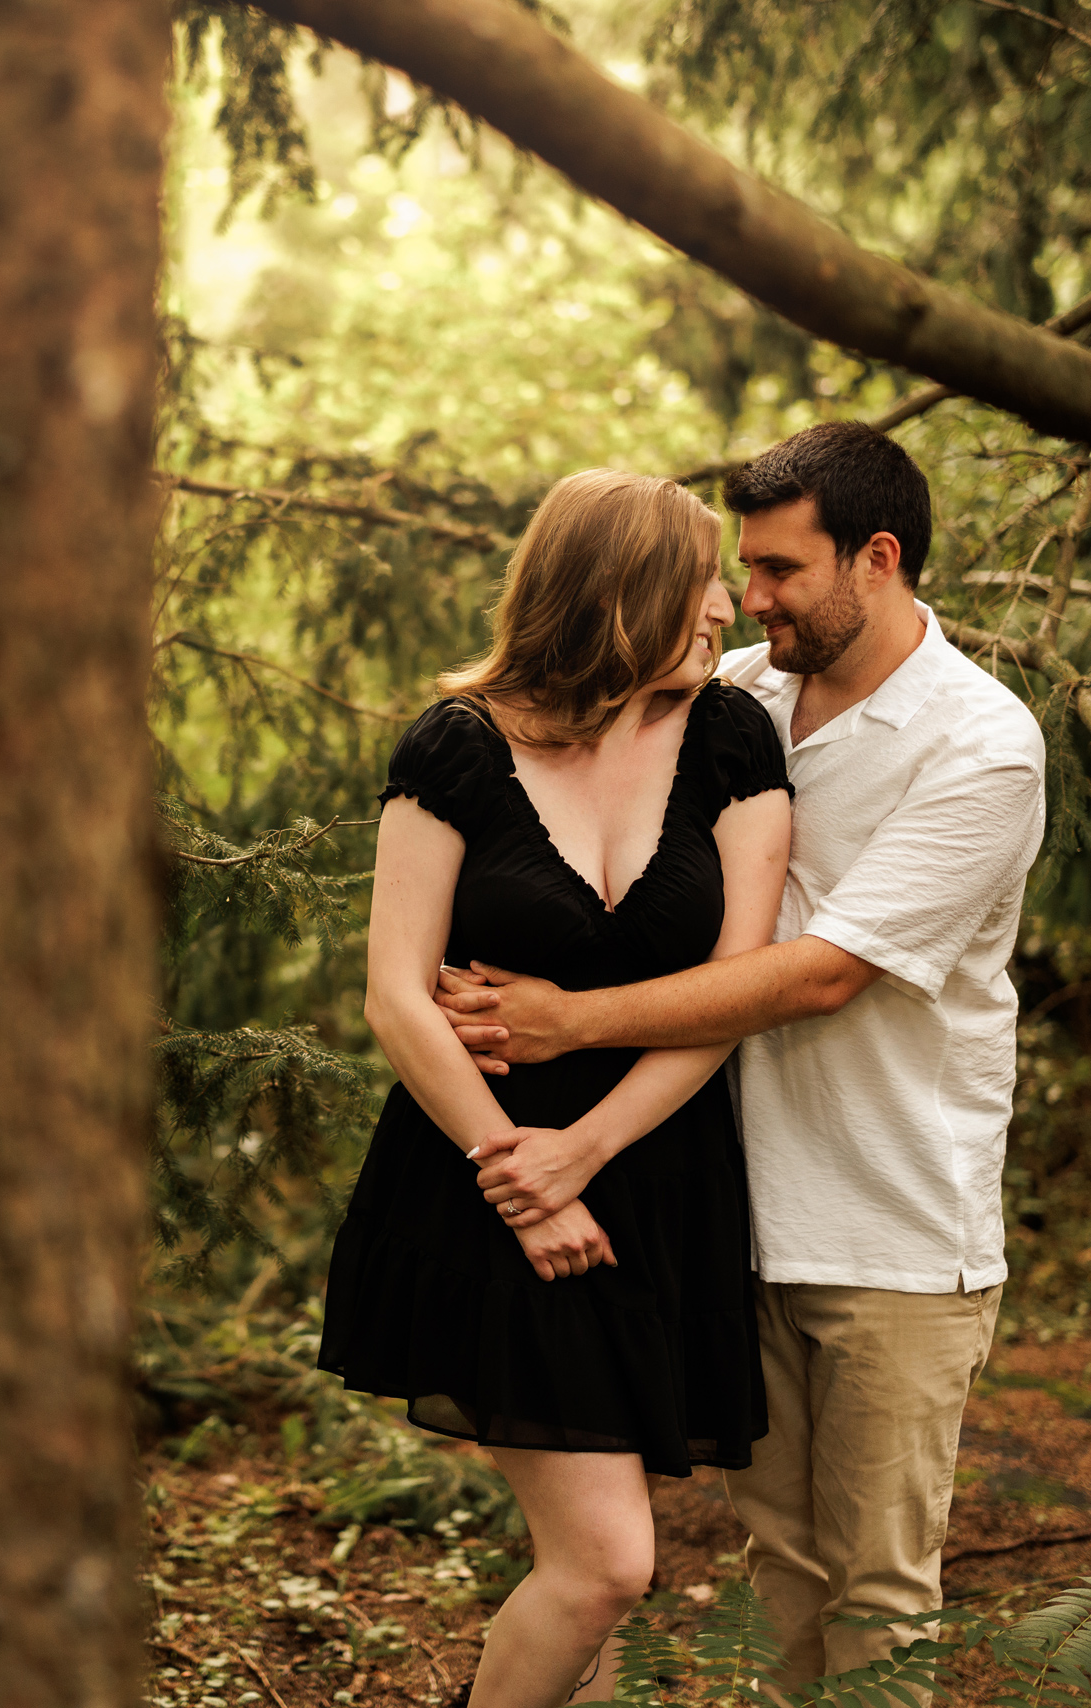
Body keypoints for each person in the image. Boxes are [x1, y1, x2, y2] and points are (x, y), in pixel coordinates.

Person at [438, 422, 1046, 1691]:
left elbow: (826, 971)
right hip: (738, 1210)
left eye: (778, 570)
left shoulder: (980, 745)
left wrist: (570, 1021)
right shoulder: (741, 703)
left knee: (878, 1583)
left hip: (894, 1228)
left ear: (876, 559)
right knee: (782, 1566)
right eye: (744, 569)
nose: (744, 598)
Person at [318, 468, 794, 1707]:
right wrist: (518, 1176)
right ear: (624, 590)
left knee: (592, 1563)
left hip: (657, 1176)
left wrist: (582, 1149)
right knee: (604, 1564)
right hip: (485, 1183)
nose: (727, 606)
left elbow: (735, 990)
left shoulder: (735, 739)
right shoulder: (458, 745)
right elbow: (396, 994)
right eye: (702, 579)